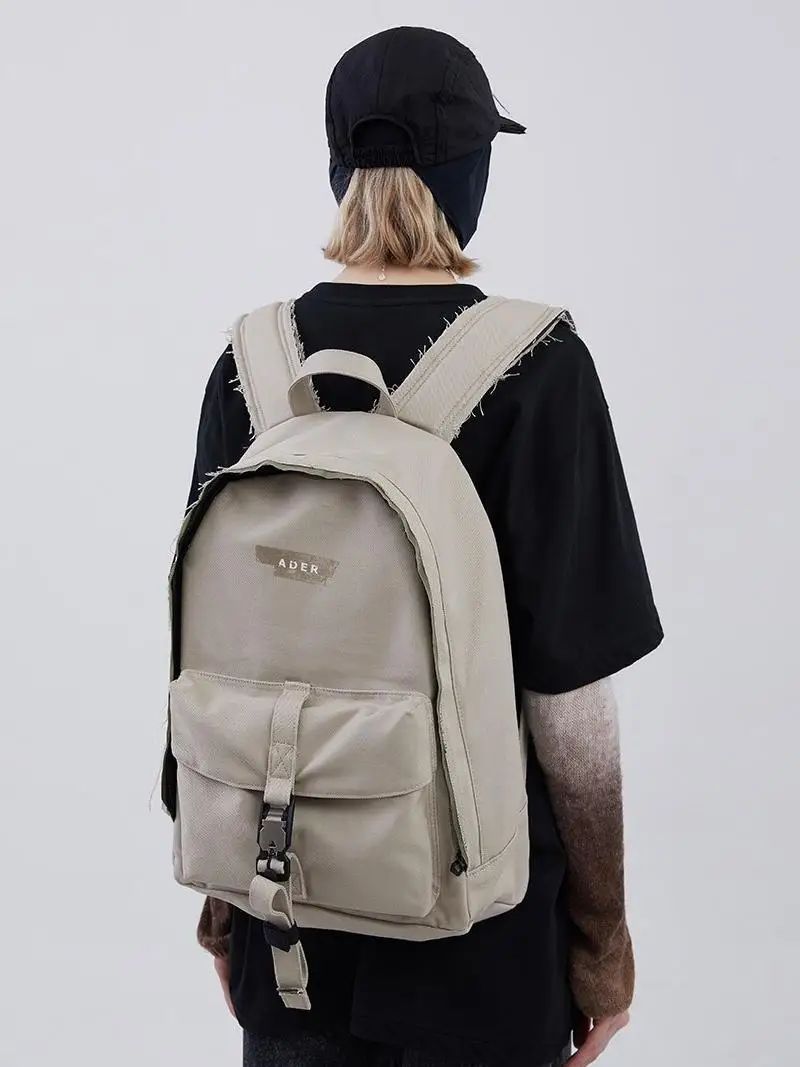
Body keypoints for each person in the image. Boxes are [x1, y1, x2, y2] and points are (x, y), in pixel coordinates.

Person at [185, 26, 663, 1067]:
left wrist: (224, 913)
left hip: (285, 924)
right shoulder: (539, 367)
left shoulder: (251, 365)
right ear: (469, 172)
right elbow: (571, 706)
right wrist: (601, 949)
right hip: (485, 953)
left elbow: (217, 657)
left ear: (337, 168)